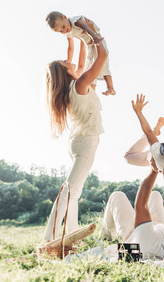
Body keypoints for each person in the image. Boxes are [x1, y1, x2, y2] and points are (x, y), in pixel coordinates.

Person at [43, 35, 108, 241]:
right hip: (85, 144)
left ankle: (72, 236)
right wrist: (95, 38)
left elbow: (80, 63)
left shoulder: (72, 88)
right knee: (69, 191)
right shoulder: (79, 85)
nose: (69, 61)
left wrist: (81, 38)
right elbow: (102, 56)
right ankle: (49, 239)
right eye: (65, 62)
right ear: (65, 71)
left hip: (78, 143)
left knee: (73, 193)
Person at [45, 11, 116, 96]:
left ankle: (110, 87)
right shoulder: (67, 33)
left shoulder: (75, 21)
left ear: (65, 17)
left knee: (103, 64)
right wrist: (69, 62)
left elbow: (86, 27)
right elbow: (71, 47)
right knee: (89, 66)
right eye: (60, 31)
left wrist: (95, 37)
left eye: (63, 27)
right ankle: (91, 92)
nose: (64, 31)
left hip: (96, 38)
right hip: (90, 45)